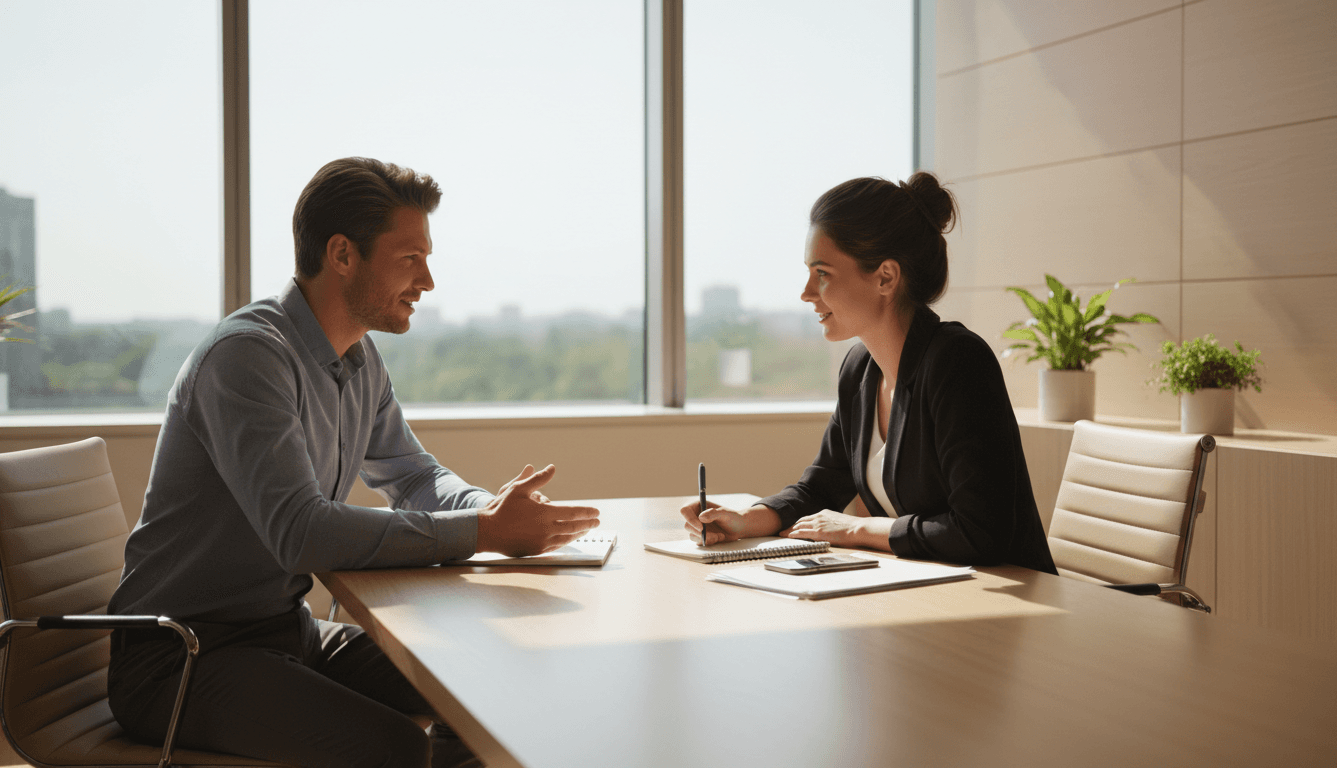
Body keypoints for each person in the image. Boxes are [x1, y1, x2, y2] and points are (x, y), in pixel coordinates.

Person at [107, 157, 601, 768]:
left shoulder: (359, 358)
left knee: (486, 688)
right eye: (410, 259)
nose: (427, 281)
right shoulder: (249, 358)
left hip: (287, 633)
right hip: (183, 657)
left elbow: (414, 475)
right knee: (394, 748)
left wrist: (488, 509)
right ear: (343, 255)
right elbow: (301, 531)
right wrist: (484, 532)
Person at [681, 173, 1056, 574]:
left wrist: (860, 528)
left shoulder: (958, 362)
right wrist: (745, 520)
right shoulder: (860, 368)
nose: (807, 292)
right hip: (928, 595)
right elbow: (822, 484)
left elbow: (980, 531)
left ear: (885, 277)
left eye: (822, 273)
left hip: (1013, 606)